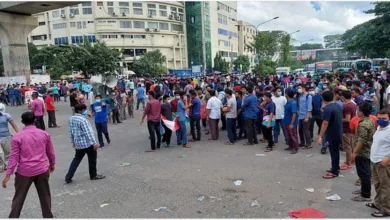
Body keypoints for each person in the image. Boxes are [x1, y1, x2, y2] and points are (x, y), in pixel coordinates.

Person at [2, 112, 55, 218]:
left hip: (24, 172)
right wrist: (52, 163)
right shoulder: (44, 134)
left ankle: (13, 217)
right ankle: (48, 216)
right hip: (42, 170)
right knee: (45, 196)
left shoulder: (17, 137)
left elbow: (14, 157)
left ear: (22, 122)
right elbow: (50, 151)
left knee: (19, 197)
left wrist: (8, 174)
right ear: (35, 120)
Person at [65, 104, 105, 183]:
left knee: (76, 160)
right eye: (84, 110)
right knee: (92, 160)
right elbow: (88, 132)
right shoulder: (83, 120)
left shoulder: (71, 119)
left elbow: (70, 132)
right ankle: (93, 175)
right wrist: (94, 143)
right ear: (80, 111)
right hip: (87, 143)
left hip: (78, 144)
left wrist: (73, 142)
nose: (86, 111)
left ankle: (68, 177)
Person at [350, 102, 375, 202]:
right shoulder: (369, 120)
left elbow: (362, 140)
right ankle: (363, 190)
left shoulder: (363, 124)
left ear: (361, 112)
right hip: (367, 151)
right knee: (364, 173)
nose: (357, 111)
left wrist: (354, 152)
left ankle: (365, 195)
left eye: (358, 110)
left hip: (363, 152)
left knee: (364, 174)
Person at [369, 109, 390, 217]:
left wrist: (388, 159)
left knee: (385, 187)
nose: (381, 120)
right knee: (377, 184)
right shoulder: (378, 128)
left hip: (384, 163)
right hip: (375, 161)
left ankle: (386, 209)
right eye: (379, 118)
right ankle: (378, 204)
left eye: (384, 119)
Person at [317, 91, 342, 179]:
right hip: (338, 132)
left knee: (334, 152)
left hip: (332, 134)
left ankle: (334, 171)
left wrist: (320, 135)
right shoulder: (338, 106)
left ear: (323, 99)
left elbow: (325, 123)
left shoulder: (328, 108)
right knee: (335, 152)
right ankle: (335, 167)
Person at [0, 103, 18, 172]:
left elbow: (14, 125)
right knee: (0, 153)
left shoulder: (6, 115)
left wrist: (18, 133)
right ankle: (1, 165)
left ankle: (8, 165)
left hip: (6, 137)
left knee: (8, 152)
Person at [340, 90, 356, 170]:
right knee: (352, 145)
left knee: (347, 146)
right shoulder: (353, 104)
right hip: (352, 128)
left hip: (347, 128)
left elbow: (347, 119)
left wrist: (339, 120)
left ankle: (348, 162)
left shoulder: (347, 106)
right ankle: (352, 160)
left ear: (343, 96)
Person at [297, 84, 312, 149]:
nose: (299, 89)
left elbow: (309, 108)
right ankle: (302, 142)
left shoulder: (308, 96)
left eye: (300, 88)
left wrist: (307, 117)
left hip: (306, 116)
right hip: (300, 116)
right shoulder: (300, 96)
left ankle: (308, 144)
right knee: (300, 130)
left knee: (306, 130)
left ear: (303, 88)